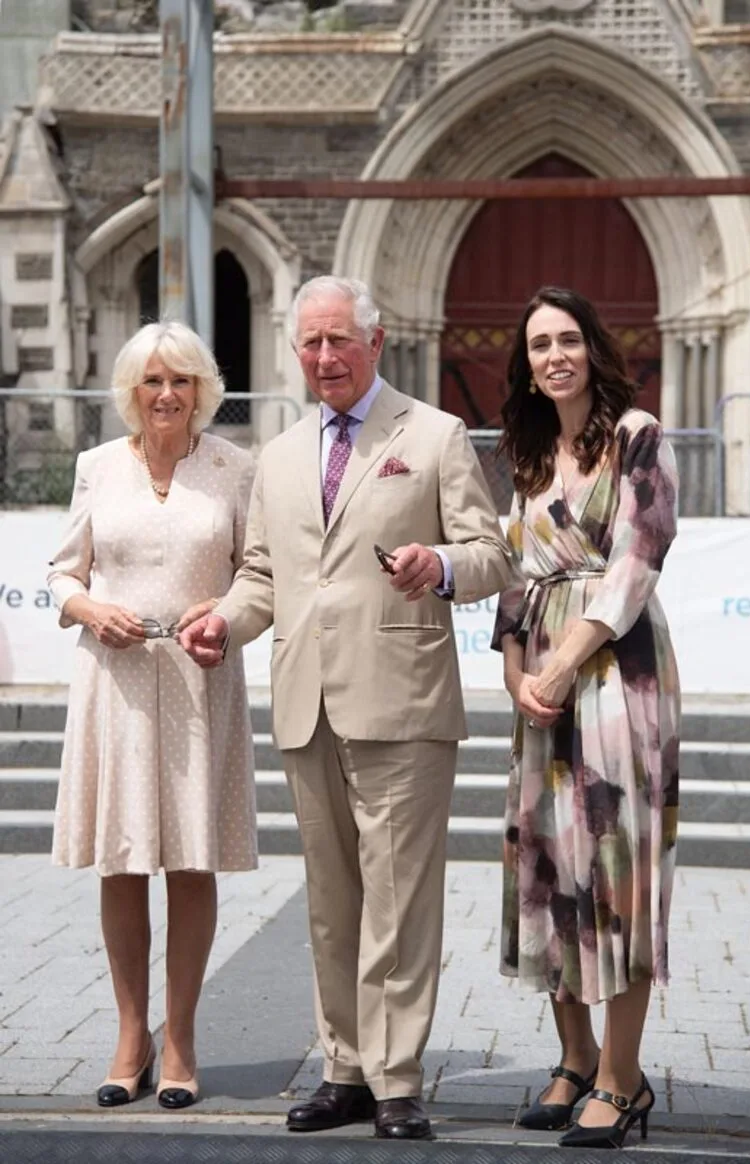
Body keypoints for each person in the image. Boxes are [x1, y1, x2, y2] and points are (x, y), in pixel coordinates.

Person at [180, 276, 513, 1140]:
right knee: (332, 901)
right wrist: (223, 619)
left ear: (376, 339)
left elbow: (490, 556)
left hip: (402, 700)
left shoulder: (434, 435)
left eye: (339, 341)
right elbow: (263, 576)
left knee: (399, 900)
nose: (323, 358)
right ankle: (346, 1071)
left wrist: (437, 565)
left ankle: (398, 1079)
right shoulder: (281, 454)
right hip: (306, 702)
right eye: (310, 344)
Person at [48, 321, 258, 1111]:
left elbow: (257, 575)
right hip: (119, 682)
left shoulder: (237, 468)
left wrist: (227, 611)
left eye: (181, 381)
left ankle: (181, 1040)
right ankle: (129, 1036)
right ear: (131, 392)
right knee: (123, 858)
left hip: (203, 679)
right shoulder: (96, 467)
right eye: (152, 382)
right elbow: (63, 571)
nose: (167, 395)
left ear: (203, 389)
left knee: (191, 860)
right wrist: (89, 609)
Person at [492, 286, 680, 1150]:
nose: (555, 355)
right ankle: (574, 1059)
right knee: (546, 868)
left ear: (593, 347)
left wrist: (564, 660)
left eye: (568, 339)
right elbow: (510, 570)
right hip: (541, 682)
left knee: (614, 869)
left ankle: (622, 1076)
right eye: (538, 346)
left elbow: (638, 559)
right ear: (525, 366)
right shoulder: (527, 453)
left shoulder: (637, 435)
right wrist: (514, 669)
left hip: (616, 672)